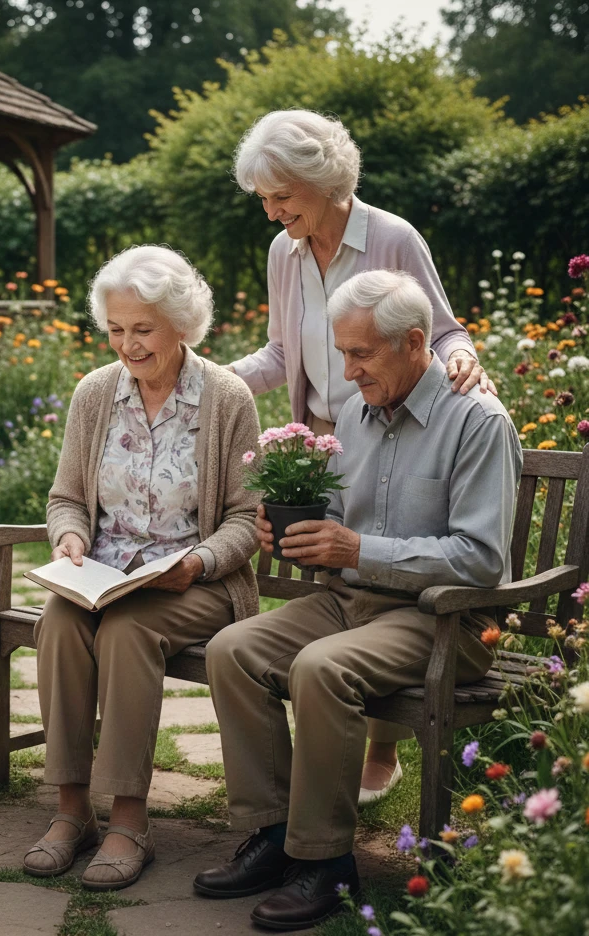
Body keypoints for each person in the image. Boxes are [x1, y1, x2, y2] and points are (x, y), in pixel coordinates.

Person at [196, 270, 520, 930]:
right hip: (351, 602)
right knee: (233, 648)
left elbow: (482, 560)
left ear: (414, 342)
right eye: (342, 352)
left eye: (361, 354)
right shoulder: (357, 412)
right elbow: (339, 514)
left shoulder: (479, 421)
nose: (347, 370)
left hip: (443, 620)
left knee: (322, 668)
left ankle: (325, 862)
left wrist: (358, 551)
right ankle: (273, 833)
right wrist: (290, 530)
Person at [227, 109, 496, 802]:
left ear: (322, 182)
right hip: (333, 426)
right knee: (341, 582)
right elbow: (282, 353)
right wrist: (206, 379)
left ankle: (373, 756)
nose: (271, 212)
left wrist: (461, 358)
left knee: (366, 585)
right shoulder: (283, 253)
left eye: (281, 196)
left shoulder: (391, 238)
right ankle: (288, 812)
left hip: (402, 411)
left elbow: (434, 329)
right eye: (263, 198)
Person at [24, 245, 261, 891]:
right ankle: (72, 811)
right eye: (116, 329)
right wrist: (70, 538)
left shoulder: (226, 398)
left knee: (129, 633)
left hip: (196, 583)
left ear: (181, 324)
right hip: (103, 577)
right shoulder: (95, 394)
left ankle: (130, 821)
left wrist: (201, 560)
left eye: (143, 329)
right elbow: (67, 497)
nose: (128, 345)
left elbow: (247, 518)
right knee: (59, 623)